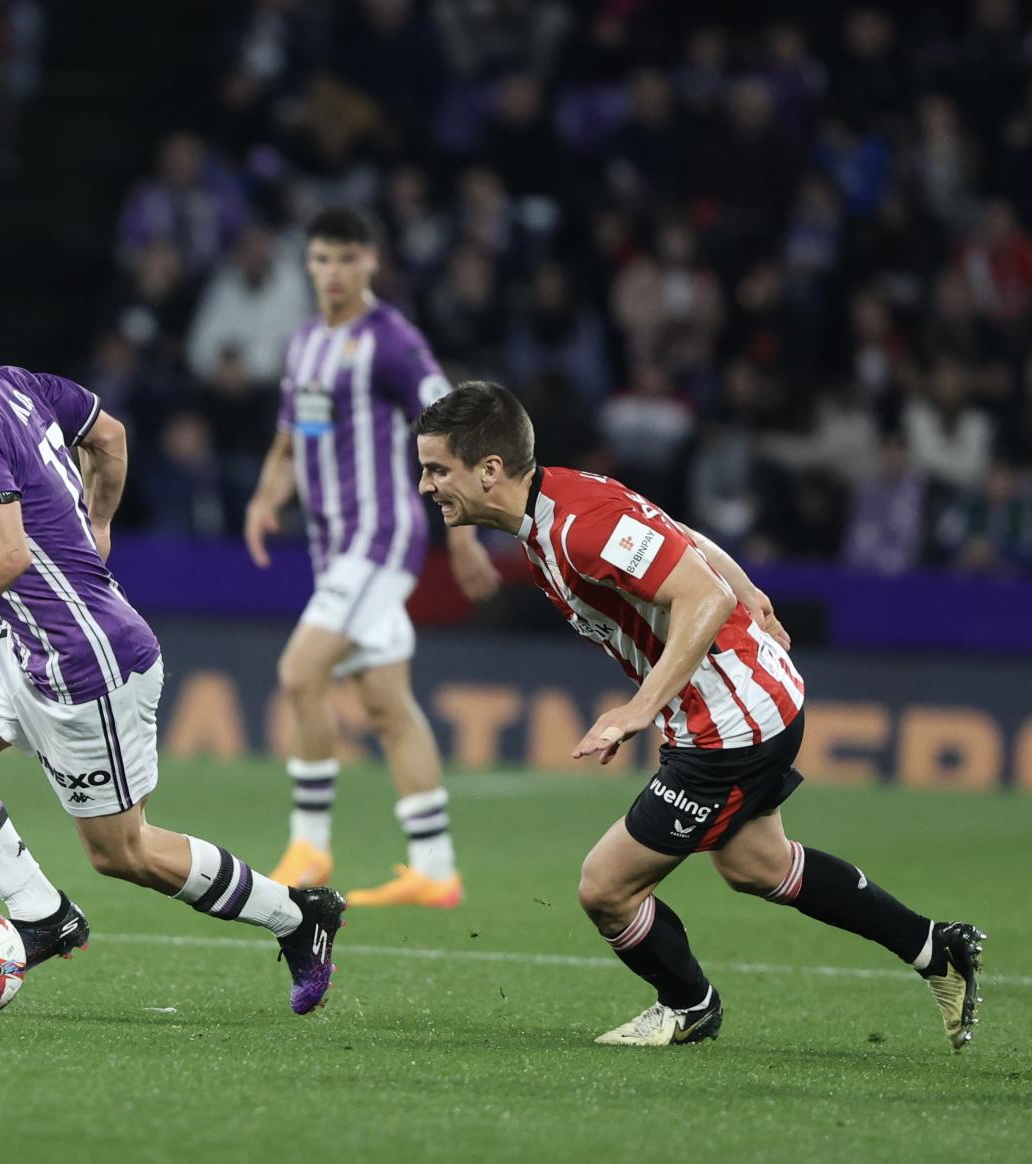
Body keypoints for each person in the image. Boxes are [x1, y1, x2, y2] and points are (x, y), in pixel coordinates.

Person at [0, 261, 344, 1014]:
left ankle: (299, 915)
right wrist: (97, 523)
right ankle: (43, 918)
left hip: (86, 661)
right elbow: (108, 435)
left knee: (124, 854)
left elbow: (3, 553)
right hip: (27, 640)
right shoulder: (14, 382)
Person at [412, 381, 984, 1050]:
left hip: (731, 722)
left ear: (488, 470)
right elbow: (675, 534)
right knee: (757, 865)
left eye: (436, 470)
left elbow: (700, 600)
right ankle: (935, 948)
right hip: (748, 700)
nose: (426, 486)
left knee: (606, 887)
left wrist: (637, 708)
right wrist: (745, 585)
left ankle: (689, 1005)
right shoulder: (556, 506)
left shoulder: (575, 528)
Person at [244, 207, 500, 908]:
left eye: (346, 259)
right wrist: (266, 499)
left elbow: (452, 420)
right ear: (309, 263)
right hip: (333, 545)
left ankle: (310, 846)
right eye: (321, 259)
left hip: (379, 537)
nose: (332, 273)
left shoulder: (391, 341)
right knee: (388, 703)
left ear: (371, 263)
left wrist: (464, 527)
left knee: (300, 670)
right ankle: (435, 866)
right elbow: (293, 437)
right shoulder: (304, 345)